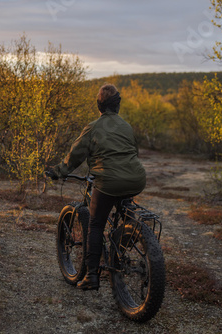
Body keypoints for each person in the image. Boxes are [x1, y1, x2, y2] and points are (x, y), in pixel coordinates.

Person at [48, 83, 146, 291]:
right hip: (136, 179)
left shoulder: (93, 127)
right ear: (117, 106)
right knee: (122, 198)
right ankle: (129, 228)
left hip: (108, 181)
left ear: (99, 106)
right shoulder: (126, 126)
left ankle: (92, 276)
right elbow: (133, 153)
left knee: (95, 225)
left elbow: (75, 155)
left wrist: (57, 172)